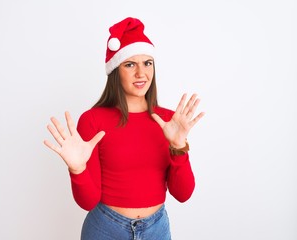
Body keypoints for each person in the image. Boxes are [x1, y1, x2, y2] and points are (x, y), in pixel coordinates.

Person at [44, 17, 204, 240]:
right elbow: (88, 201)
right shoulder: (93, 120)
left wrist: (179, 147)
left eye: (147, 63)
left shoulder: (168, 120)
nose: (141, 73)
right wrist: (78, 170)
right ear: (115, 70)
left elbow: (183, 194)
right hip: (105, 229)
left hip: (156, 230)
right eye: (130, 64)